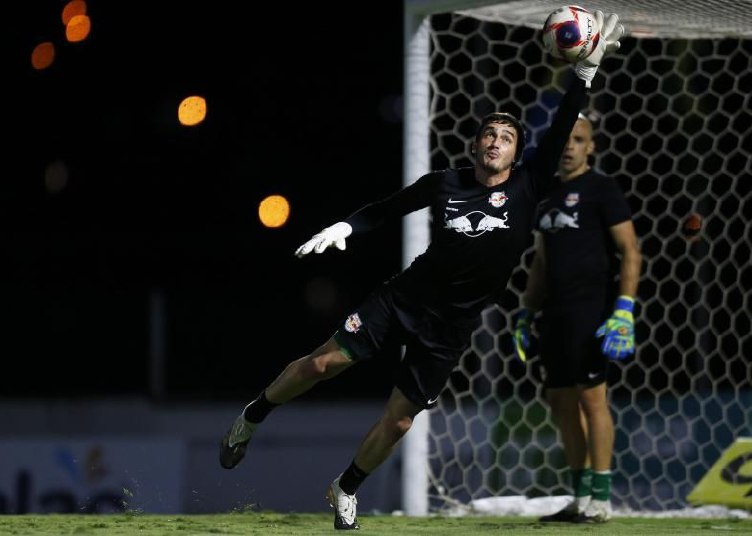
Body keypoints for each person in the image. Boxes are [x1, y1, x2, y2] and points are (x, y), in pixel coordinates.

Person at [220, 11, 625, 530]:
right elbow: (386, 211)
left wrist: (584, 76)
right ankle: (251, 416)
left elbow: (563, 124)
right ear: (476, 145)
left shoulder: (527, 186)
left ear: (519, 152)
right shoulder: (445, 184)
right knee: (324, 365)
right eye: (490, 133)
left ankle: (345, 488)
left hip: (451, 327)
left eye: (507, 135)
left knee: (402, 418)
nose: (497, 140)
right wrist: (346, 227)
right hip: (402, 299)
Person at [512, 112, 641, 523]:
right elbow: (541, 262)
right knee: (561, 401)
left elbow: (631, 251)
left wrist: (624, 309)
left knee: (592, 398)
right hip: (555, 315)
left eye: (579, 139)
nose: (569, 146)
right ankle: (580, 495)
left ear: (591, 146)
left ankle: (601, 499)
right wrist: (526, 313)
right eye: (564, 140)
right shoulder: (545, 195)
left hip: (593, 311)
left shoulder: (601, 189)